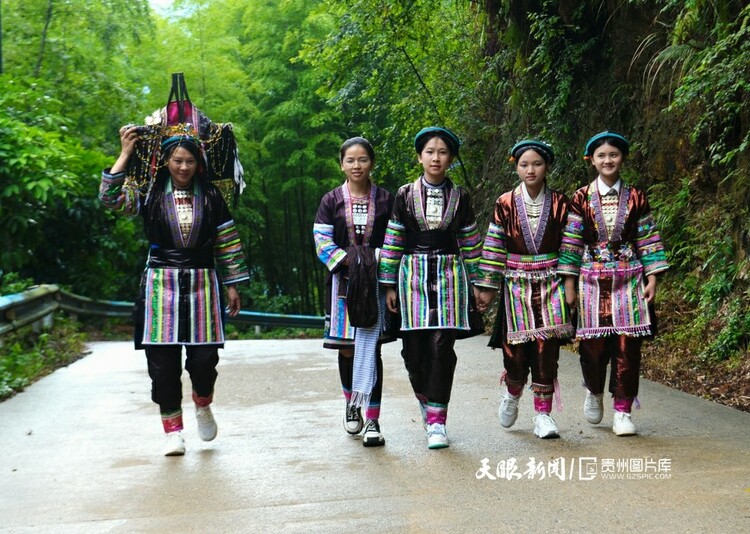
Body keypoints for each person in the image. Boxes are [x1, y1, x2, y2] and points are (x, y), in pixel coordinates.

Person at [99, 125, 249, 456]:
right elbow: (109, 198)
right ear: (166, 161)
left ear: (199, 164)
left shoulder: (212, 197)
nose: (183, 168)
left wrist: (234, 283)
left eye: (190, 162)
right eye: (177, 161)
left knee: (204, 360)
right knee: (162, 365)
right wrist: (124, 154)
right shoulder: (149, 193)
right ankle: (173, 431)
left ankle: (202, 401)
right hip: (160, 286)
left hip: (203, 285)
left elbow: (227, 241)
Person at [558, 131, 669, 436]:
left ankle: (623, 409)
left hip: (630, 278)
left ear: (623, 158)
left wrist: (653, 277)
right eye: (601, 156)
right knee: (593, 348)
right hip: (591, 282)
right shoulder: (581, 197)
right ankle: (593, 391)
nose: (608, 160)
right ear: (591, 160)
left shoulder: (636, 196)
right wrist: (569, 283)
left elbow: (647, 237)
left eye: (614, 155)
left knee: (628, 347)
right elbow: (571, 242)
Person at [378, 126, 482, 449]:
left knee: (441, 348)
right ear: (420, 156)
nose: (436, 158)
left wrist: (480, 282)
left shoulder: (461, 196)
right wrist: (389, 284)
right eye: (430, 152)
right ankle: (426, 400)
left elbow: (471, 241)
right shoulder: (404, 195)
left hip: (450, 275)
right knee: (414, 351)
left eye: (442, 152)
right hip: (412, 278)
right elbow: (393, 239)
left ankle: (437, 421)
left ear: (450, 158)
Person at [476, 140, 574, 439]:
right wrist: (488, 287)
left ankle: (543, 415)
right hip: (516, 283)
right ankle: (513, 391)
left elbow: (571, 245)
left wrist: (570, 281)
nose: (530, 170)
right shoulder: (505, 203)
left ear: (546, 167)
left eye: (537, 164)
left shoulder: (561, 203)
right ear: (516, 167)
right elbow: (494, 246)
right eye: (524, 164)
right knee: (515, 353)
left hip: (552, 283)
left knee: (547, 352)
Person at [313, 137, 394, 447]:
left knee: (371, 349)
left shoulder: (387, 200)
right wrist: (354, 260)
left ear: (371, 162)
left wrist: (382, 274)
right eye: (350, 160)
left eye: (362, 159)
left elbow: (395, 241)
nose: (356, 165)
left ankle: (373, 418)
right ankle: (352, 404)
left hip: (374, 285)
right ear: (341, 164)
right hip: (342, 286)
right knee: (347, 348)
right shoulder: (330, 201)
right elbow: (322, 242)